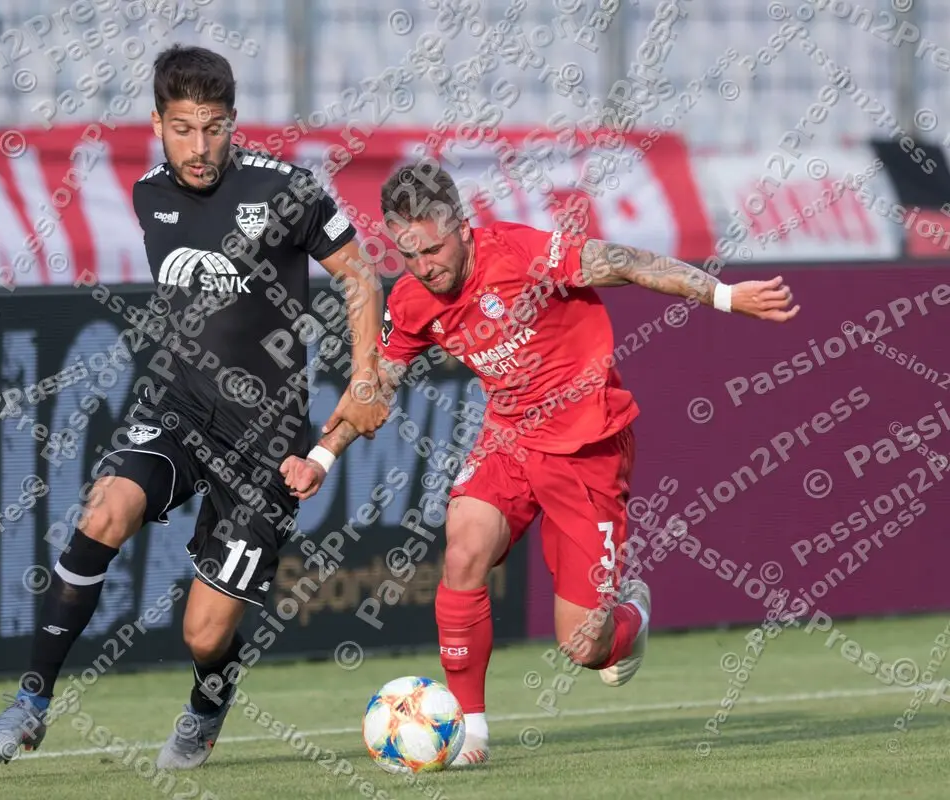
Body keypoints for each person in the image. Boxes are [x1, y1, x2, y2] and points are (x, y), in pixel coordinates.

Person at [280, 160, 799, 766]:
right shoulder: (415, 299)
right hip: (509, 440)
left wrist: (724, 294)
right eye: (409, 253)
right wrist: (320, 456)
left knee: (585, 646)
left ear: (462, 228)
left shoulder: (522, 254)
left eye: (434, 249)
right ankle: (471, 727)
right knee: (464, 546)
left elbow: (626, 261)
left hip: (587, 445)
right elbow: (374, 391)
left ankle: (630, 615)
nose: (425, 266)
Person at [0, 44, 388, 767]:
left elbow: (360, 275)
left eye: (215, 128)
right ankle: (31, 702)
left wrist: (367, 373)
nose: (201, 147)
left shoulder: (287, 189)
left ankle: (208, 700)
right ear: (158, 123)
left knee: (204, 633)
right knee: (104, 511)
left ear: (234, 123)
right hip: (178, 412)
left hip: (267, 440)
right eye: (185, 128)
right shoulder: (148, 194)